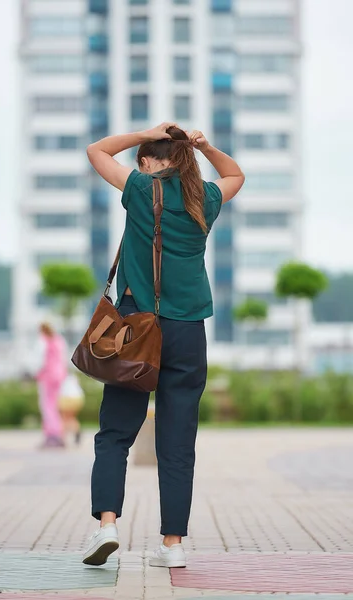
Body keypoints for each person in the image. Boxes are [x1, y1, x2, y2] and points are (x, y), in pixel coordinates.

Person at [82, 124, 245, 567]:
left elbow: (96, 149)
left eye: (144, 159)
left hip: (139, 329)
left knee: (115, 434)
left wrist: (141, 134)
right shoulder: (204, 198)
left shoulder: (139, 188)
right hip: (189, 332)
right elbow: (236, 175)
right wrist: (205, 145)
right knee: (178, 443)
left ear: (152, 162)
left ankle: (108, 525)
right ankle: (173, 546)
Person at [34, 322, 68, 448]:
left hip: (47, 377)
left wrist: (35, 373)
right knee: (55, 406)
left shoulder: (43, 341)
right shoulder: (59, 340)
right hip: (59, 377)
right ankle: (59, 433)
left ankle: (52, 434)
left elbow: (39, 361)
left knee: (47, 406)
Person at [58, 372, 85, 446]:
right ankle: (77, 431)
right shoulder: (73, 376)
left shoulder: (60, 374)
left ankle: (63, 439)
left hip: (66, 397)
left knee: (65, 419)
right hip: (78, 397)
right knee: (71, 418)